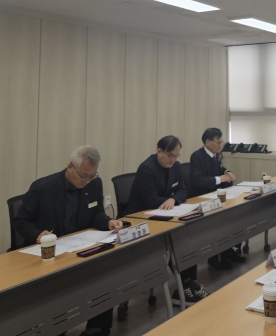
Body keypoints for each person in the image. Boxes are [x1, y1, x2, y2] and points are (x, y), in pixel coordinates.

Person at [15, 146, 122, 336]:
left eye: (92, 176)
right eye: (83, 176)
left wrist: (108, 222)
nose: (87, 181)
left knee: (105, 272)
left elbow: (96, 213)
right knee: (60, 289)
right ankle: (57, 330)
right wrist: (38, 234)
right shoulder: (42, 188)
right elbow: (21, 221)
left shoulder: (94, 184)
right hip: (47, 256)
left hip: (77, 249)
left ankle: (97, 329)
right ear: (70, 167)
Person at [125, 135, 210, 306]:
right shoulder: (147, 168)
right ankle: (185, 284)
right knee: (173, 240)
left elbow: (183, 190)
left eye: (176, 156)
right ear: (159, 151)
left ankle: (187, 283)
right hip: (141, 218)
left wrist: (173, 199)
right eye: (170, 155)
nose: (173, 159)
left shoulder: (176, 166)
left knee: (186, 236)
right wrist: (171, 198)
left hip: (164, 214)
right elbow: (151, 200)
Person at [190, 127, 245, 269]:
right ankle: (218, 257)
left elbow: (220, 168)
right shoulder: (197, 156)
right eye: (218, 142)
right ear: (208, 142)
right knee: (222, 222)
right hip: (204, 198)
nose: (220, 145)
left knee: (237, 215)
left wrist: (227, 171)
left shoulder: (215, 155)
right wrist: (220, 179)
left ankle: (230, 250)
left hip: (218, 196)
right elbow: (197, 180)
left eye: (221, 142)